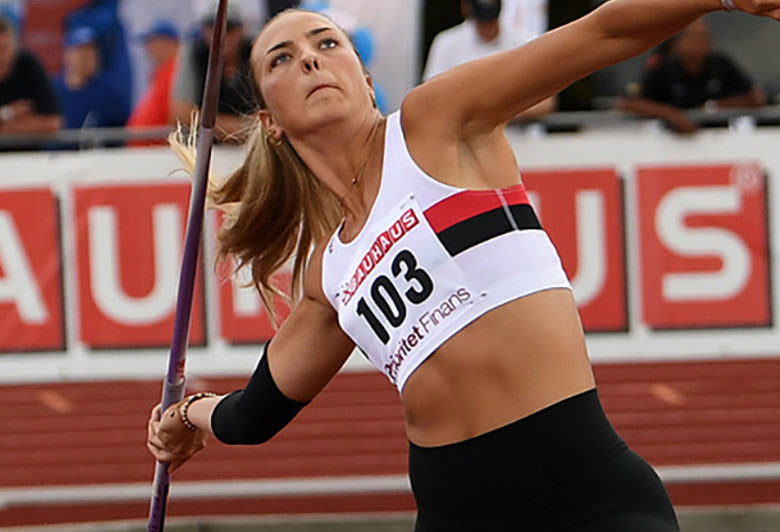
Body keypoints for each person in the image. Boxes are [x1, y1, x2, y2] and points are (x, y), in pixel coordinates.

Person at [147, 1, 780, 531]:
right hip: (455, 515)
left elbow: (602, 32)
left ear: (366, 78)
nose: (309, 58)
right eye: (280, 59)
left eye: (327, 42)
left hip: (589, 497)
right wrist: (187, 414)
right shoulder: (327, 272)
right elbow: (255, 414)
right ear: (269, 123)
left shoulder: (434, 124)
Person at [616, 19, 766, 134]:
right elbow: (629, 104)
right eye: (692, 37)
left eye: (703, 37)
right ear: (676, 43)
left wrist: (714, 107)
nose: (699, 43)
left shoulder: (720, 64)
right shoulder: (663, 67)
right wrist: (672, 115)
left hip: (720, 140)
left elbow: (756, 98)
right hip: (669, 144)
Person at [424, 0, 555, 120]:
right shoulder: (447, 43)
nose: (488, 26)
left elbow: (546, 103)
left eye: (492, 19)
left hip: (517, 139)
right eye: (482, 20)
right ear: (467, 10)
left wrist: (490, 112)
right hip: (462, 141)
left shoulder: (525, 41)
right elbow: (431, 98)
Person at [170, 3, 256, 142]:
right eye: (213, 29)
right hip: (203, 148)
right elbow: (181, 113)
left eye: (229, 28)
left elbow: (271, 112)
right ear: (204, 30)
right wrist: (239, 129)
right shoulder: (193, 55)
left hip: (251, 147)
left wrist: (205, 122)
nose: (222, 36)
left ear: (242, 30)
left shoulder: (256, 54)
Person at [52, 27, 129, 130]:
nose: (88, 56)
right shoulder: (52, 90)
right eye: (81, 51)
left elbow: (121, 131)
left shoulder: (109, 92)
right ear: (67, 54)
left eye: (92, 51)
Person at [0, 15, 62, 136]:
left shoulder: (28, 66)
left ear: (15, 48)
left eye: (5, 49)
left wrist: (4, 128)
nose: (1, 57)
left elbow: (53, 123)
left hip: (28, 153)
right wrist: (9, 113)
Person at [126, 20, 180, 146]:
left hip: (158, 152)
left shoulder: (177, 72)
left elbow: (176, 115)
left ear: (167, 42)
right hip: (146, 152)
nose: (147, 48)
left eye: (151, 41)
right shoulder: (162, 72)